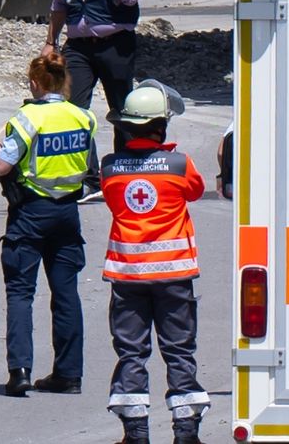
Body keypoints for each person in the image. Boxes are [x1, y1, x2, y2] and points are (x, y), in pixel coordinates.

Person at [100, 81, 209, 444]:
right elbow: (195, 190)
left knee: (132, 352)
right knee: (178, 349)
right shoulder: (179, 164)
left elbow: (118, 206)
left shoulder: (111, 168)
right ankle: (185, 429)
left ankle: (136, 433)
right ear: (162, 125)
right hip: (174, 275)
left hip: (127, 276)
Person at [0, 48, 95, 398]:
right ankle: (69, 373)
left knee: (20, 292)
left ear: (34, 83)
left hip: (31, 212)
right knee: (66, 293)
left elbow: (3, 165)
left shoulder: (28, 118)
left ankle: (19, 372)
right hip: (67, 212)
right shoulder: (83, 117)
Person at [48, 0, 146, 197]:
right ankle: (89, 179)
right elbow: (58, 5)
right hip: (78, 46)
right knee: (74, 111)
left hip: (115, 44)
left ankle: (124, 173)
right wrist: (50, 42)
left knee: (122, 110)